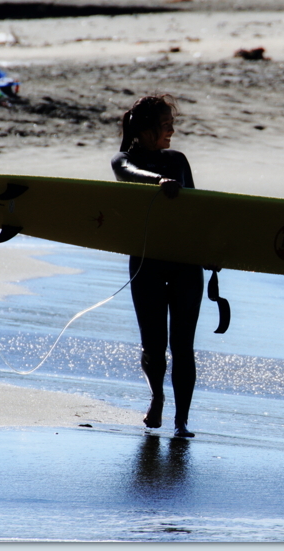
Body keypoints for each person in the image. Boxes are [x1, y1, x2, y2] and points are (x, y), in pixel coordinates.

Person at [111, 94, 202, 439]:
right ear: (145, 130)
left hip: (185, 262)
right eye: (165, 126)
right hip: (146, 263)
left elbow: (197, 209)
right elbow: (128, 174)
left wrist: (211, 253)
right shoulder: (123, 160)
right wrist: (158, 183)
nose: (172, 131)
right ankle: (157, 396)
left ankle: (182, 420)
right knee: (153, 344)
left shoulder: (178, 160)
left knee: (183, 346)